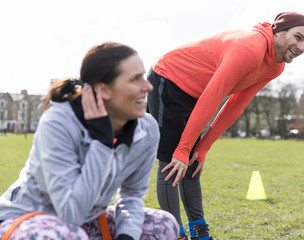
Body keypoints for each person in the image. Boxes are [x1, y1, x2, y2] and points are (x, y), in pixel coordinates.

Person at [147, 12, 304, 240]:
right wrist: (183, 148)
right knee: (172, 162)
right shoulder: (249, 48)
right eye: (298, 37)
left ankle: (199, 232)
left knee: (192, 163)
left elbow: (236, 104)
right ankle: (173, 233)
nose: (301, 46)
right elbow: (214, 96)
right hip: (169, 78)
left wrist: (202, 148)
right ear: (279, 31)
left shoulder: (275, 66)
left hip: (197, 93)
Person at [0, 42, 179, 240]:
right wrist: (103, 143)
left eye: (143, 77)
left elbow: (132, 195)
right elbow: (71, 213)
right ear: (103, 89)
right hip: (26, 220)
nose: (148, 87)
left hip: (86, 221)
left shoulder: (147, 128)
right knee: (66, 235)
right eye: (135, 79)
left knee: (164, 224)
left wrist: (126, 236)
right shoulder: (58, 122)